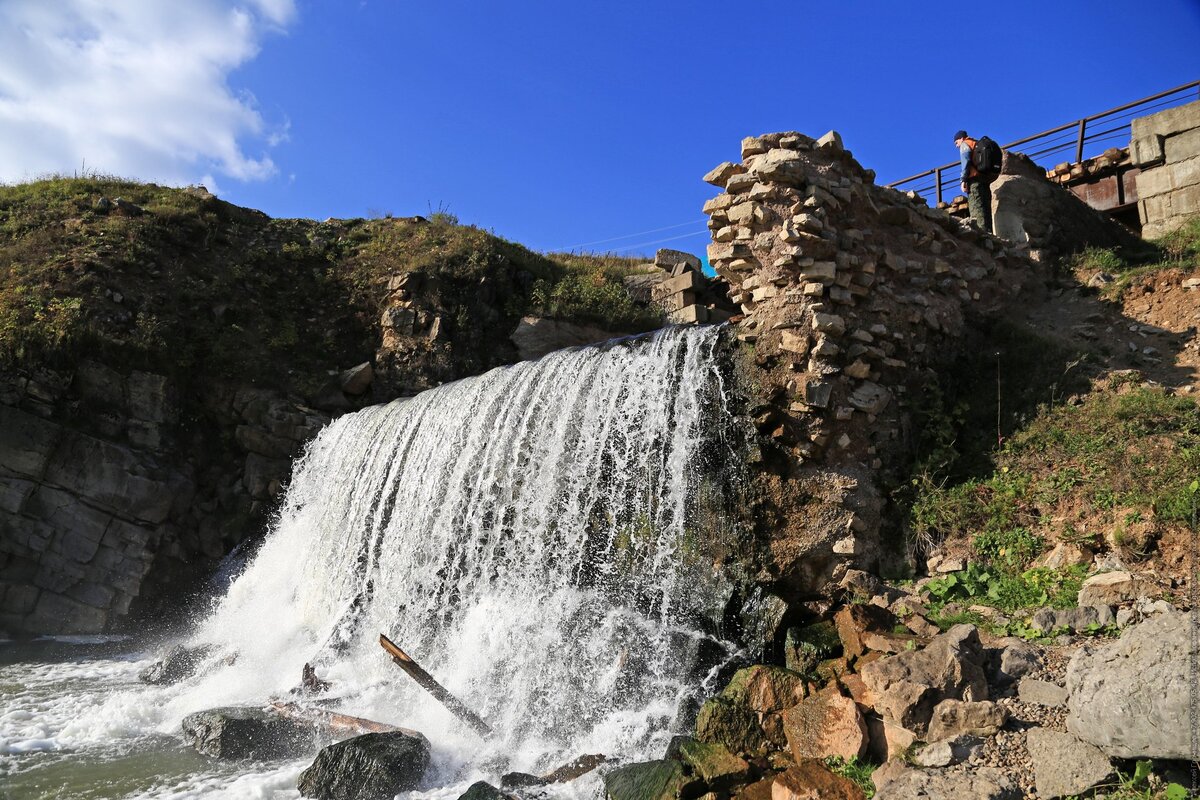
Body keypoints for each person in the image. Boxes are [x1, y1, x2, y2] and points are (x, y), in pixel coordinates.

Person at [954, 130, 993, 234]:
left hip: (974, 181)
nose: (957, 146)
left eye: (956, 142)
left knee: (977, 208)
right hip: (984, 180)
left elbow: (966, 163)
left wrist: (963, 180)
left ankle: (982, 236)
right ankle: (990, 234)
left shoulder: (965, 144)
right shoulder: (976, 143)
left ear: (961, 138)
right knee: (986, 209)